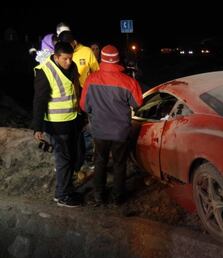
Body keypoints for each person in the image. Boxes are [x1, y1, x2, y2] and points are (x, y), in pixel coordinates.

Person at [80, 45, 143, 205]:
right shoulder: (128, 81)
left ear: (101, 59)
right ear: (117, 59)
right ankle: (117, 198)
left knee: (100, 161)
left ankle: (98, 195)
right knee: (119, 163)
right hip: (120, 132)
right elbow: (138, 104)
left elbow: (84, 106)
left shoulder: (91, 79)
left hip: (99, 131)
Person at [32, 41, 81, 207]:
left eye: (70, 58)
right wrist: (37, 127)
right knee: (63, 160)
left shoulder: (71, 66)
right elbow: (39, 101)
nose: (69, 62)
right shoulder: (44, 71)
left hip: (71, 121)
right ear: (56, 56)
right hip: (56, 124)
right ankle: (62, 195)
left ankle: (66, 190)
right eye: (65, 59)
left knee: (71, 158)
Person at [59, 30, 100, 173]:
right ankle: (74, 160)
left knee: (87, 128)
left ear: (74, 42)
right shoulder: (61, 54)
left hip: (86, 94)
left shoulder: (86, 52)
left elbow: (96, 72)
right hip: (68, 97)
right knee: (74, 130)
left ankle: (88, 157)